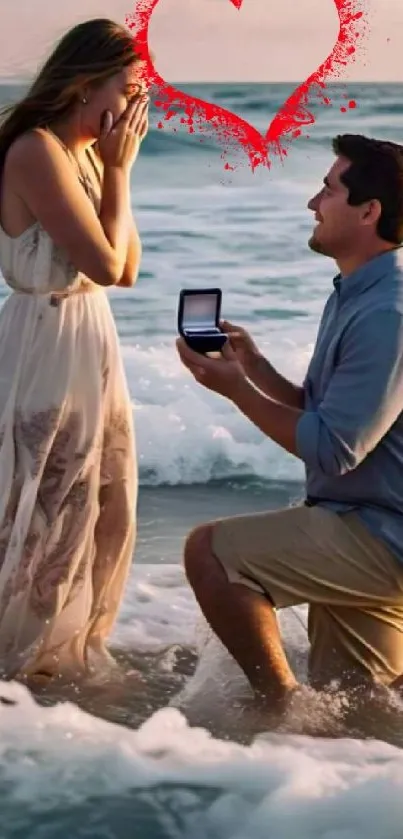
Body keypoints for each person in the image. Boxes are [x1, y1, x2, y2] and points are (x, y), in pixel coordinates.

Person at [176, 134, 403, 709]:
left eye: (328, 188)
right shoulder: (358, 292)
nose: (312, 202)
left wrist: (235, 393)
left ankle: (277, 708)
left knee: (212, 552)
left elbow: (334, 449)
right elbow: (328, 416)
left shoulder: (388, 312)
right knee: (358, 710)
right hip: (364, 520)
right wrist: (253, 369)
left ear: (368, 211)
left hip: (383, 534)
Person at [0, 19, 148, 683]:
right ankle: (19, 655)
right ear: (87, 84)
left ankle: (66, 649)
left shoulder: (89, 154)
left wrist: (118, 171)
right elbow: (106, 261)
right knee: (38, 500)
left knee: (103, 499)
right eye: (130, 87)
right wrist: (116, 170)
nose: (139, 104)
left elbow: (128, 266)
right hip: (45, 339)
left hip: (90, 336)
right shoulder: (35, 150)